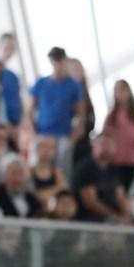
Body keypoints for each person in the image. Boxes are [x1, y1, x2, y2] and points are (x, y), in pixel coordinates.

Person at [23, 47, 85, 180]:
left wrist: (73, 137)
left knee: (63, 165)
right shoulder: (41, 83)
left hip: (63, 135)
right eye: (55, 61)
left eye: (60, 60)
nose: (57, 64)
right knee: (35, 163)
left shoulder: (73, 85)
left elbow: (81, 115)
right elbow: (28, 111)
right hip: (42, 134)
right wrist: (32, 133)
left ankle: (63, 188)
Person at [73, 133, 134, 225]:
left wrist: (126, 216)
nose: (106, 148)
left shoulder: (114, 169)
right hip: (90, 219)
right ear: (93, 145)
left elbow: (121, 197)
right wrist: (115, 217)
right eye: (103, 144)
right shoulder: (85, 168)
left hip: (114, 218)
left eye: (110, 145)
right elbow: (91, 202)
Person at [101, 79, 134, 192]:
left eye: (123, 90)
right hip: (117, 162)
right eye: (118, 90)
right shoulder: (111, 117)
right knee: (121, 191)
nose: (121, 93)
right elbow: (105, 138)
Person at [0, 154, 42, 220]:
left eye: (21, 173)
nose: (17, 178)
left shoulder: (33, 200)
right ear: (4, 175)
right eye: (13, 173)